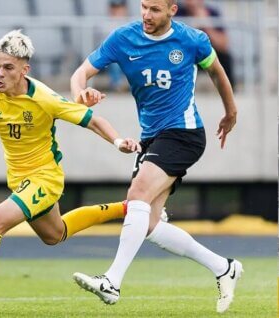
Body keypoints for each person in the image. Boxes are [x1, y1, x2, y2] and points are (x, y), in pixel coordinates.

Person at [0, 30, 141, 315]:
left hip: (45, 178)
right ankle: (129, 209)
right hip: (20, 181)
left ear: (24, 70)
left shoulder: (44, 98)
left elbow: (92, 120)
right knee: (55, 235)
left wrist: (119, 141)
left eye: (8, 67)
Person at [70, 0, 241, 314]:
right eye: (144, 7)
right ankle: (223, 267)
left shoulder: (192, 39)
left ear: (172, 10)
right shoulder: (124, 38)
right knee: (147, 224)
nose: (147, 15)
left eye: (155, 10)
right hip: (153, 138)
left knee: (136, 195)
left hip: (184, 133)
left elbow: (217, 73)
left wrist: (230, 112)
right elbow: (80, 73)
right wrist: (81, 93)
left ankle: (111, 282)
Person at [176, 0, 235, 89]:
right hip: (185, 54)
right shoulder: (177, 12)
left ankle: (229, 91)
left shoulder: (212, 12)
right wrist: (192, 30)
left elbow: (223, 45)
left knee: (225, 57)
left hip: (206, 54)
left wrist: (206, 24)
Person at [106, 0, 128, 91]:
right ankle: (117, 85)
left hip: (128, 52)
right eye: (115, 8)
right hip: (113, 53)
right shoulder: (105, 23)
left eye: (119, 8)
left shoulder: (130, 23)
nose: (117, 10)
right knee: (115, 61)